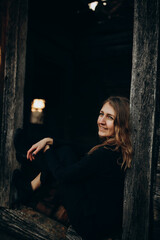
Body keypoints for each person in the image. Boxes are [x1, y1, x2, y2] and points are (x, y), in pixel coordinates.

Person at [13, 96, 132, 240]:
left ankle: (27, 176)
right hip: (99, 222)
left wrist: (47, 150)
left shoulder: (104, 154)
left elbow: (62, 175)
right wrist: (50, 140)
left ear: (121, 123)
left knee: (63, 156)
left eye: (110, 117)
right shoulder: (117, 150)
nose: (101, 121)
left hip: (89, 226)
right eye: (101, 114)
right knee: (66, 151)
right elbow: (80, 148)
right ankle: (28, 184)